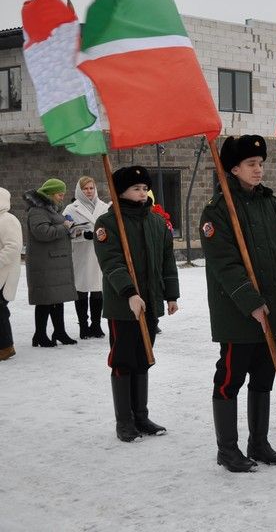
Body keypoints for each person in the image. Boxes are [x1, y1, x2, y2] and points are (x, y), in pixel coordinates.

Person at [201, 135, 276, 473]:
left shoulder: (271, 205)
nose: (259, 169)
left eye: (261, 164)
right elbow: (225, 265)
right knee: (230, 378)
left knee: (263, 378)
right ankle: (227, 449)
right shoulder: (218, 210)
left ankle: (258, 443)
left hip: (270, 310)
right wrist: (251, 302)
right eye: (251, 164)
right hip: (237, 315)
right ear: (233, 168)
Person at [94, 166, 179, 442]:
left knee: (144, 357)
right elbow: (111, 263)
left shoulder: (156, 222)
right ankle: (124, 421)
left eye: (144, 188)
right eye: (135, 189)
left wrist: (171, 295)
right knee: (123, 360)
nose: (142, 194)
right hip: (124, 305)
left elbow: (167, 261)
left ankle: (141, 416)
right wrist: (130, 292)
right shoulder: (108, 223)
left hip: (150, 302)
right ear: (121, 192)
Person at [24, 178, 78, 347]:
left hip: (54, 262)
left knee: (57, 299)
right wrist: (65, 227)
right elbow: (42, 232)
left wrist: (70, 230)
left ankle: (59, 332)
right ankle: (39, 335)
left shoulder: (51, 210)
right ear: (50, 194)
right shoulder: (37, 211)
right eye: (59, 194)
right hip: (45, 264)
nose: (62, 197)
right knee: (45, 301)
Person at [65, 176, 110, 339]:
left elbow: (111, 227)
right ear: (79, 190)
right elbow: (67, 231)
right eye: (85, 188)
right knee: (82, 290)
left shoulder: (104, 207)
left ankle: (96, 325)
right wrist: (83, 234)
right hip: (81, 254)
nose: (89, 191)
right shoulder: (71, 209)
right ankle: (83, 326)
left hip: (99, 254)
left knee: (98, 290)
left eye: (91, 188)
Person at [0, 187, 23, 361]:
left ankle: (6, 347)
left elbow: (13, 247)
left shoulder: (7, 220)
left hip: (4, 274)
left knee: (0, 309)